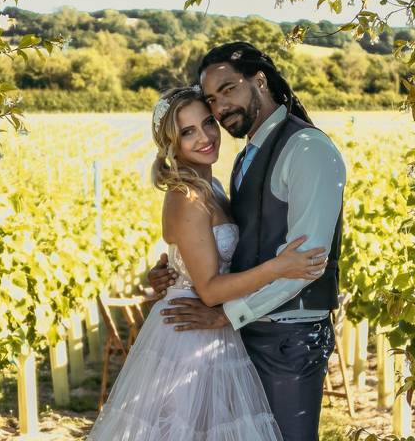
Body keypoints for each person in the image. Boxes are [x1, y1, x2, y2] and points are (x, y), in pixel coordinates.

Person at [88, 85, 326, 440]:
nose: (205, 137)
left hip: (213, 331)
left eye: (207, 123)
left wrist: (171, 269)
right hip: (188, 333)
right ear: (172, 143)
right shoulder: (186, 197)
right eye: (188, 132)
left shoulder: (211, 184)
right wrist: (279, 267)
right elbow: (211, 290)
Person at [149, 42, 347, 441]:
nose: (220, 109)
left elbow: (305, 264)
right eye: (212, 100)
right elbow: (232, 243)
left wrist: (226, 315)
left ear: (260, 80)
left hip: (285, 337)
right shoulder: (243, 159)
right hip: (243, 331)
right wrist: (175, 268)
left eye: (229, 89)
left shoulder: (307, 149)